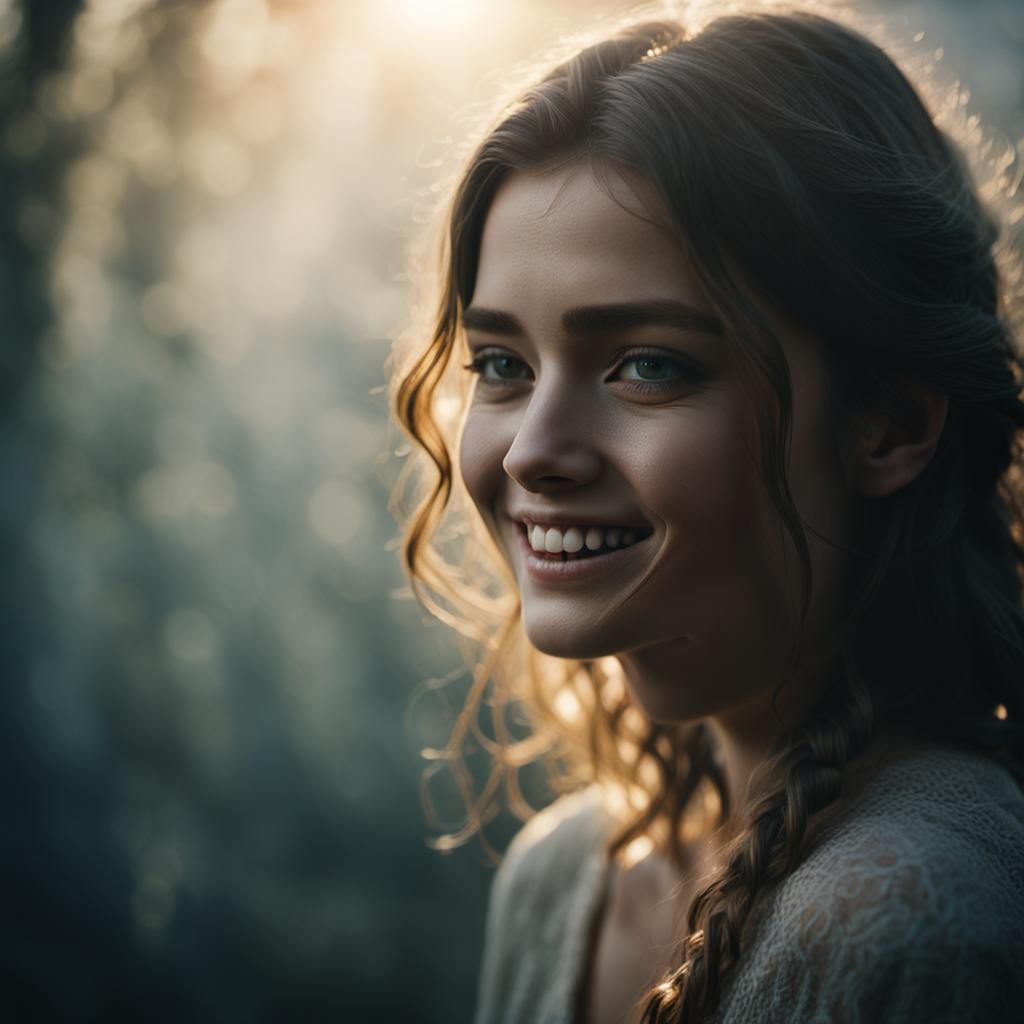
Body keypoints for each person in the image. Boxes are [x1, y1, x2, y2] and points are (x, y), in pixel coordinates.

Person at [388, 5, 1024, 1023]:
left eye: (647, 365)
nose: (534, 450)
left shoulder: (919, 918)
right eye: (501, 365)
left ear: (891, 424)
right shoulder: (560, 883)